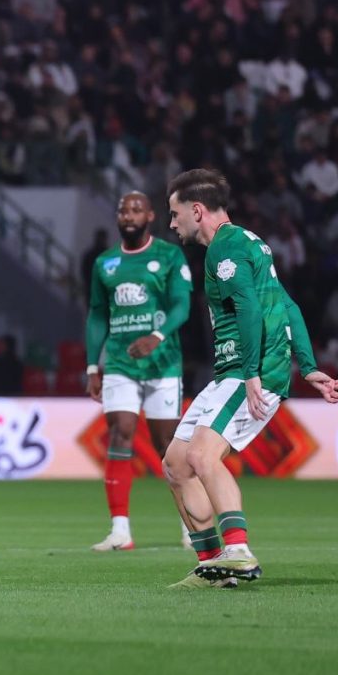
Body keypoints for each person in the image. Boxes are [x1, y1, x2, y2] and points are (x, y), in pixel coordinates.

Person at [165, 168, 338, 588]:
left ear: (197, 210)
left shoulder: (223, 249)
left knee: (202, 457)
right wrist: (309, 364)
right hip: (238, 369)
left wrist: (251, 374)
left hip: (250, 368)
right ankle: (213, 567)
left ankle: (239, 552)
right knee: (176, 464)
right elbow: (288, 305)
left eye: (175, 214)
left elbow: (249, 307)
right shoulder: (251, 243)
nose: (172, 224)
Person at [85, 192, 192, 551]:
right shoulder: (106, 263)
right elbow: (98, 314)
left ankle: (190, 526)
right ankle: (120, 531)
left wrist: (157, 336)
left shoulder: (169, 255)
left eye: (135, 210)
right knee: (121, 432)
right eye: (122, 210)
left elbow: (182, 304)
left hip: (163, 363)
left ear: (149, 216)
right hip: (119, 362)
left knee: (167, 445)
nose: (127, 215)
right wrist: (91, 365)